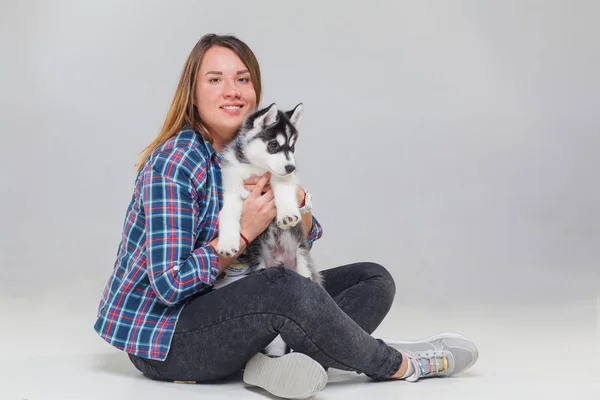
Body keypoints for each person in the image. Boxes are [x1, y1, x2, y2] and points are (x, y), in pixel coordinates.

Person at [93, 33, 479, 399]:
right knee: (283, 288)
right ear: (193, 95)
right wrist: (244, 232)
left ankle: (268, 363)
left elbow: (304, 241)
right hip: (167, 338)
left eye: (242, 79)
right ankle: (396, 363)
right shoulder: (175, 163)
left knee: (373, 279)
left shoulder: (254, 150)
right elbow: (169, 284)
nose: (232, 90)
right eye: (215, 79)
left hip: (235, 307)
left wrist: (298, 203)